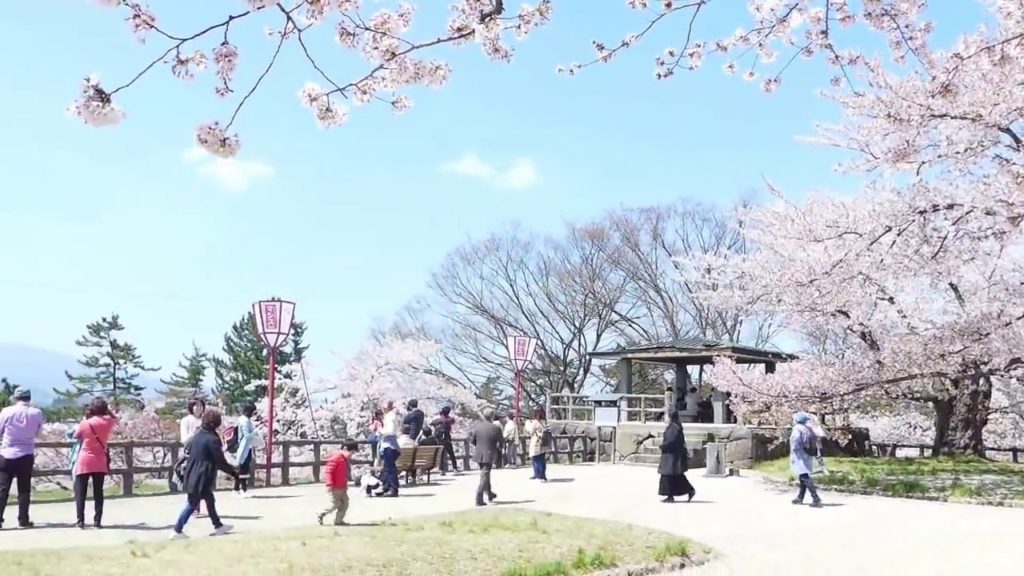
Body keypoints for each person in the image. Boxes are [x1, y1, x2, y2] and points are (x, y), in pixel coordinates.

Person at [170, 408, 238, 539]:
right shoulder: (212, 439)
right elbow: (220, 461)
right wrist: (233, 472)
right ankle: (177, 530)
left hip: (192, 473)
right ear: (215, 424)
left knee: (209, 500)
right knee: (192, 503)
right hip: (202, 476)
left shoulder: (197, 436)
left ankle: (218, 526)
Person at [0, 387, 44, 530]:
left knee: (3, 488)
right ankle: (23, 519)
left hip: (7, 453)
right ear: (29, 398)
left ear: (15, 397)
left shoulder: (6, 411)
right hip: (26, 453)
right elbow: (38, 432)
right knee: (24, 488)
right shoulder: (36, 413)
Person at [72, 397, 119, 528]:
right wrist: (107, 411)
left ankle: (80, 521)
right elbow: (115, 418)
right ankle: (97, 521)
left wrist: (87, 416)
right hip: (100, 459)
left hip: (85, 459)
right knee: (98, 492)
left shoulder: (85, 423)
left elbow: (75, 435)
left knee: (81, 491)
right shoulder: (108, 422)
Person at [657, 410, 695, 503]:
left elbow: (672, 441)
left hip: (672, 455)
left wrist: (663, 446)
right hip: (671, 455)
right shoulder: (675, 426)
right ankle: (688, 490)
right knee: (676, 476)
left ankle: (671, 495)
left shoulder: (674, 427)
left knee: (669, 475)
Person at [317, 441, 357, 526]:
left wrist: (346, 484)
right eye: (352, 452)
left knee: (345, 503)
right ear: (345, 449)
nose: (351, 455)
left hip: (342, 487)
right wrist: (329, 484)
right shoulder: (336, 458)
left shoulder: (345, 460)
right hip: (334, 487)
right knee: (335, 504)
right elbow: (329, 471)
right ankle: (321, 513)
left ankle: (338, 520)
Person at [790, 411, 824, 508]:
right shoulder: (807, 428)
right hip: (807, 454)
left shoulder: (797, 429)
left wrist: (794, 449)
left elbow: (795, 441)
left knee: (804, 476)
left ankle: (816, 498)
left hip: (799, 455)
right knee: (803, 476)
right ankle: (800, 497)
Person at [179, 398, 205, 517]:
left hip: (205, 453)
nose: (198, 408)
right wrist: (195, 432)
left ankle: (200, 506)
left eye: (200, 405)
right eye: (196, 406)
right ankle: (193, 506)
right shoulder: (186, 421)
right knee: (194, 481)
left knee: (204, 481)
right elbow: (184, 440)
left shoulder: (205, 420)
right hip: (191, 454)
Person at [469, 408, 501, 506]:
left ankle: (490, 493)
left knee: (485, 473)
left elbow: (472, 440)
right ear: (492, 416)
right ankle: (479, 497)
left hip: (479, 453)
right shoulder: (495, 428)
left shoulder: (477, 427)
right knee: (485, 474)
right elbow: (501, 442)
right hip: (489, 452)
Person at [232, 402, 257, 498]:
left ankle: (240, 489)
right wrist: (255, 432)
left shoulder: (242, 420)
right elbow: (246, 436)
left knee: (243, 469)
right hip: (244, 448)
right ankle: (240, 489)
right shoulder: (245, 421)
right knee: (243, 469)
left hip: (245, 447)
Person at [377, 400, 400, 497]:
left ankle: (393, 489)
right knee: (387, 467)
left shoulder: (390, 416)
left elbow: (390, 431)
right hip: (390, 444)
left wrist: (380, 431)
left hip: (389, 444)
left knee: (390, 468)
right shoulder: (391, 416)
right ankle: (386, 487)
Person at [523, 407, 550, 482]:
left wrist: (527, 425)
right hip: (544, 442)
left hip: (536, 442)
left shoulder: (535, 422)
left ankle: (539, 476)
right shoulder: (545, 421)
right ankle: (543, 475)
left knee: (536, 459)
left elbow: (531, 432)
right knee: (542, 459)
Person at [430, 406, 459, 475]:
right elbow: (453, 420)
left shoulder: (437, 420)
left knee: (441, 455)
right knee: (451, 455)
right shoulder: (449, 419)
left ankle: (441, 470)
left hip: (440, 440)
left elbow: (431, 423)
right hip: (447, 439)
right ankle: (455, 469)